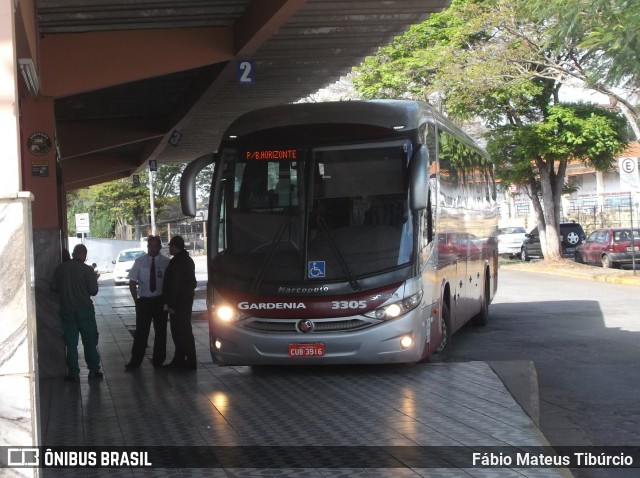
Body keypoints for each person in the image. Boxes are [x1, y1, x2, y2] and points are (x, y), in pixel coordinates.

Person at [50, 244, 103, 382]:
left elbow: (53, 287)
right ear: (84, 254)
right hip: (84, 310)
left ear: (74, 254)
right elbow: (94, 291)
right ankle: (93, 370)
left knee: (71, 344)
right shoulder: (87, 270)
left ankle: (73, 373)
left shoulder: (61, 269)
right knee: (89, 342)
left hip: (67, 311)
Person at [125, 235, 170, 369]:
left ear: (160, 247)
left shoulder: (166, 262)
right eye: (151, 246)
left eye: (156, 246)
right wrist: (136, 300)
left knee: (161, 332)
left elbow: (170, 284)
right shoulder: (140, 261)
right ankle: (135, 361)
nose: (153, 249)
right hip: (144, 301)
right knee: (141, 332)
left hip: (160, 300)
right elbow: (132, 282)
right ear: (147, 247)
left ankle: (159, 360)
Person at [164, 236, 198, 371]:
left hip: (179, 304)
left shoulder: (177, 262)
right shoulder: (187, 260)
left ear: (174, 246)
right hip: (185, 302)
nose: (169, 249)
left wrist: (171, 304)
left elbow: (174, 285)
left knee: (180, 333)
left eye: (170, 246)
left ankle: (186, 361)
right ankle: (182, 359)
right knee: (184, 332)